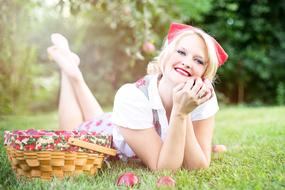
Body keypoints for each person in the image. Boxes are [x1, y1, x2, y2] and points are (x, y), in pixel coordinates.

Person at [47, 23, 228, 171]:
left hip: (122, 122)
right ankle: (69, 71)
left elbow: (198, 166)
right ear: (165, 56)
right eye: (181, 52)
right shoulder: (132, 97)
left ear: (205, 74)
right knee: (69, 133)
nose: (187, 63)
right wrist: (180, 112)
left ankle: (74, 72)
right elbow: (164, 168)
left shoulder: (204, 98)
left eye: (198, 61)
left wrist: (186, 111)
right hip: (108, 135)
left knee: (98, 116)